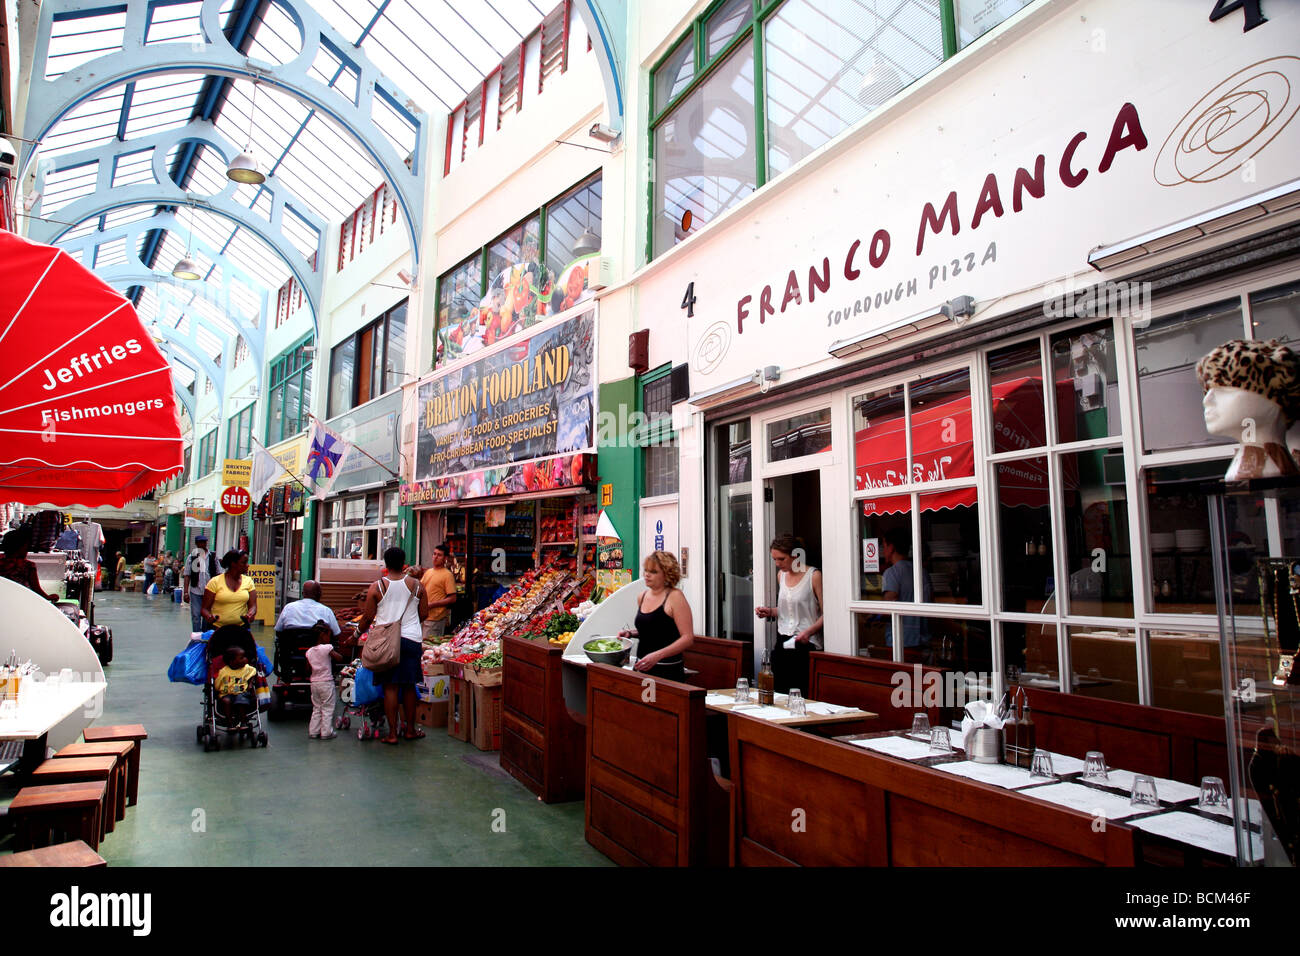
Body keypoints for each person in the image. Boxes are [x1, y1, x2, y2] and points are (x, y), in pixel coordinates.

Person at [356, 546, 428, 745]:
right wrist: (410, 624)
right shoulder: (417, 585)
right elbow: (424, 614)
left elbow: (368, 617)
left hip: (387, 641)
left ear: (386, 565)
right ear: (403, 564)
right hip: (411, 640)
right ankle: (411, 730)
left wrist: (355, 634)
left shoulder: (376, 587)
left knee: (390, 687)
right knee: (409, 685)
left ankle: (392, 734)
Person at [755, 534, 823, 694]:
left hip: (806, 643)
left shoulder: (813, 576)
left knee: (801, 693)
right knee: (779, 692)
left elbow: (828, 614)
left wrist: (809, 631)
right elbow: (790, 610)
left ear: (796, 555)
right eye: (774, 560)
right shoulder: (781, 576)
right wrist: (770, 611)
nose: (778, 564)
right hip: (783, 640)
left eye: (782, 559)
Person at [619, 551, 694, 682]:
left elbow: (687, 638)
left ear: (667, 574)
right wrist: (630, 633)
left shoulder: (675, 597)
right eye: (646, 570)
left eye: (653, 572)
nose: (647, 575)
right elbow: (654, 630)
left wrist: (658, 655)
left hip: (667, 670)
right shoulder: (642, 596)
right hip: (642, 667)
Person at [881, 527, 932, 655]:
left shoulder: (891, 573)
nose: (883, 551)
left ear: (891, 548)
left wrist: (874, 616)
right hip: (923, 641)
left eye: (884, 546)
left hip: (900, 643)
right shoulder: (923, 572)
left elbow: (888, 608)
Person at [201, 549, 258, 630]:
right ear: (233, 564)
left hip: (241, 629)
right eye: (244, 562)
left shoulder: (249, 581)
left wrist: (251, 613)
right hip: (218, 629)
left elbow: (253, 605)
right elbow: (204, 609)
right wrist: (209, 617)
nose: (247, 565)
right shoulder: (214, 582)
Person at [0, 529, 58, 602]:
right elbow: (37, 590)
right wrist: (49, 597)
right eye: (26, 547)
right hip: (20, 600)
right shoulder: (28, 566)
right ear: (20, 548)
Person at [306, 626, 343, 740]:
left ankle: (313, 731)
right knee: (327, 707)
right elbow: (339, 658)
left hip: (314, 683)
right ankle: (326, 732)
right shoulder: (327, 648)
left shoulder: (309, 651)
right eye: (328, 635)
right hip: (326, 682)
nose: (329, 638)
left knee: (317, 707)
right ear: (322, 636)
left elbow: (308, 667)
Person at [419, 544, 457, 644]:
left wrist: (432, 604)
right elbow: (420, 589)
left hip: (435, 619)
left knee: (429, 648)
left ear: (445, 558)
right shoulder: (428, 572)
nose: (435, 557)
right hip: (423, 617)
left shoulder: (447, 575)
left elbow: (453, 598)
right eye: (434, 554)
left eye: (439, 555)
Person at [275, 580, 341, 637]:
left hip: (290, 649)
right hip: (317, 650)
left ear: (302, 593)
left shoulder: (288, 607)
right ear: (319, 594)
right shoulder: (326, 611)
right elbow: (336, 633)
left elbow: (278, 630)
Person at [215, 645, 258, 729]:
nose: (245, 659)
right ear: (232, 661)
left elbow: (254, 672)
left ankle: (243, 721)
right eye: (242, 658)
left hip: (241, 692)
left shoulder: (247, 668)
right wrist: (218, 690)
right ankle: (229, 722)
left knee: (241, 701)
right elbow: (218, 683)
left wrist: (250, 684)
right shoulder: (224, 671)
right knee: (226, 701)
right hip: (227, 693)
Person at [184, 534, 219, 632]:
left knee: (207, 616)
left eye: (204, 542)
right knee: (196, 615)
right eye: (200, 543)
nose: (202, 544)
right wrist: (186, 592)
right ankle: (196, 637)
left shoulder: (213, 557)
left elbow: (219, 573)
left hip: (210, 592)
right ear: (196, 544)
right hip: (196, 591)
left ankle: (204, 636)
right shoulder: (191, 557)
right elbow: (187, 575)